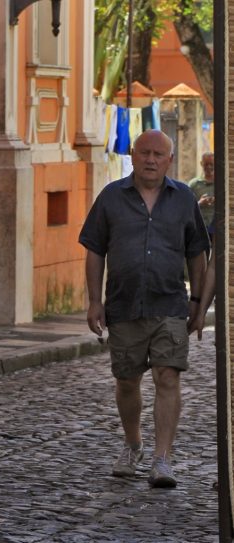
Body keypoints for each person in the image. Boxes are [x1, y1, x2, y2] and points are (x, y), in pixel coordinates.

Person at [79, 129, 209, 489]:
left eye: (158, 154)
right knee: (127, 380)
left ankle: (162, 458)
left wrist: (198, 303)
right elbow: (94, 249)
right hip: (123, 304)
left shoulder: (183, 198)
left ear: (170, 159)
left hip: (170, 304)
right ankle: (133, 444)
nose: (151, 160)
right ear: (133, 156)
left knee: (168, 377)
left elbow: (198, 253)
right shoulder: (111, 197)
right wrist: (94, 301)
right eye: (144, 153)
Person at [188, 152, 214, 238]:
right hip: (199, 228)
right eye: (206, 164)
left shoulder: (222, 184)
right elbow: (186, 206)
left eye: (211, 164)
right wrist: (199, 203)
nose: (209, 167)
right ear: (201, 164)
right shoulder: (193, 184)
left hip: (217, 228)